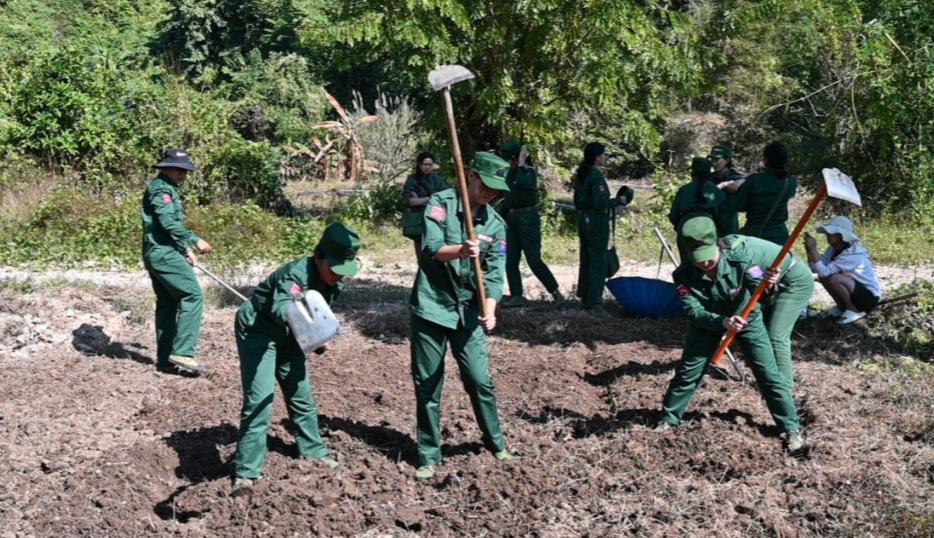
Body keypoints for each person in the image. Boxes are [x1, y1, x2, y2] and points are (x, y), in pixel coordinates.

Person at [232, 223, 362, 492]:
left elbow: (317, 313)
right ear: (319, 256)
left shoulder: (333, 283)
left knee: (300, 394)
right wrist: (307, 326)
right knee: (260, 398)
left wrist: (317, 338)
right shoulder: (294, 276)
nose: (339, 276)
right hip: (259, 330)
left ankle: (313, 452)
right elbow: (282, 308)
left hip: (291, 336)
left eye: (344, 271)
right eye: (334, 268)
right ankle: (247, 472)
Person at [658, 216, 805, 453]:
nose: (705, 263)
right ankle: (668, 420)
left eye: (709, 257)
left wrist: (769, 284)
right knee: (688, 372)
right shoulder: (683, 275)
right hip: (708, 324)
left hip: (748, 321)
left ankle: (791, 428)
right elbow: (693, 312)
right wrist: (722, 322)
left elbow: (766, 296)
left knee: (768, 374)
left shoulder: (743, 261)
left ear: (717, 245)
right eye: (698, 259)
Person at [409, 152, 513, 480]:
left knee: (480, 379)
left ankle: (495, 442)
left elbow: (495, 274)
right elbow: (431, 249)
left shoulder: (497, 225)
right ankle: (428, 453)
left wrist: (491, 311)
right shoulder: (440, 203)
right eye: (486, 184)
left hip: (468, 310)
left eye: (497, 189)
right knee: (428, 383)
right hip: (432, 306)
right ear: (470, 174)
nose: (491, 193)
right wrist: (461, 251)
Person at [141, 149, 212, 374]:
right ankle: (183, 352)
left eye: (185, 170)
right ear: (165, 167)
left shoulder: (168, 188)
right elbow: (167, 223)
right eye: (179, 169)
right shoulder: (161, 189)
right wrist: (194, 240)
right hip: (163, 253)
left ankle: (165, 360)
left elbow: (168, 228)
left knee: (168, 304)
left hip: (162, 251)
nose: (183, 174)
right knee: (192, 295)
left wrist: (185, 249)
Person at [498, 140, 562, 306]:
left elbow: (521, 184)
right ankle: (517, 295)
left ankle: (555, 292)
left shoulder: (528, 172)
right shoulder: (510, 173)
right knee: (510, 260)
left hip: (527, 219)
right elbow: (507, 197)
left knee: (534, 260)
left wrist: (520, 164)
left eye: (510, 160)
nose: (507, 164)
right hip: (511, 220)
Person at [573, 142, 631, 313]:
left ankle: (585, 298)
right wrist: (618, 201)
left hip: (584, 219)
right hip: (597, 220)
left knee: (586, 259)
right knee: (598, 260)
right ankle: (596, 303)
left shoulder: (581, 175)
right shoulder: (595, 176)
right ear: (597, 157)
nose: (605, 158)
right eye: (603, 155)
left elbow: (578, 202)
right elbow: (600, 203)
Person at [804, 216, 881, 324]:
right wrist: (810, 252)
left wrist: (814, 249)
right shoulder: (833, 249)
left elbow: (824, 271)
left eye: (831, 233)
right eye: (827, 233)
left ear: (841, 235)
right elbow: (816, 269)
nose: (828, 236)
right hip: (853, 290)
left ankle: (854, 309)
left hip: (868, 297)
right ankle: (841, 307)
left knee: (835, 278)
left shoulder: (852, 253)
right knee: (824, 278)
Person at [667, 157, 731, 262]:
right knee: (708, 264)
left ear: (692, 173)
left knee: (687, 265)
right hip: (709, 232)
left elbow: (673, 215)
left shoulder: (684, 190)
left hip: (686, 230)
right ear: (709, 174)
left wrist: (682, 228)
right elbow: (725, 220)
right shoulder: (717, 193)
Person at [734, 141, 797, 246]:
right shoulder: (790, 182)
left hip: (754, 235)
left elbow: (740, 206)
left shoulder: (754, 180)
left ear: (765, 160)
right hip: (779, 236)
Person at [402, 152, 447, 255]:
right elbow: (409, 201)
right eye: (425, 164)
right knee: (421, 252)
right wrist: (430, 198)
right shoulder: (412, 179)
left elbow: (443, 198)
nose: (427, 167)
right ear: (419, 165)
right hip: (418, 221)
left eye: (430, 165)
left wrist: (422, 200)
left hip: (436, 218)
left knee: (436, 248)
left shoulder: (438, 179)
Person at [708, 145, 744, 235]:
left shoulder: (735, 177)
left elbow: (751, 179)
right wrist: (722, 185)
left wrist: (740, 181)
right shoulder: (708, 178)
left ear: (727, 160)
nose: (713, 163)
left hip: (729, 226)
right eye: (712, 160)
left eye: (717, 160)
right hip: (710, 225)